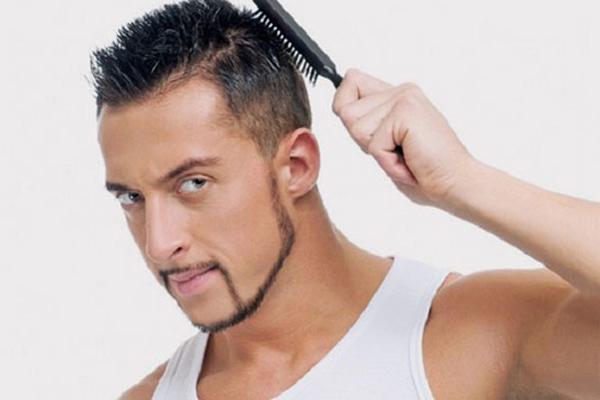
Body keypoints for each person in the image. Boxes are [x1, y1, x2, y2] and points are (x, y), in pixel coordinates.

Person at [91, 0, 599, 398]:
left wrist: (465, 181)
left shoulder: (465, 337)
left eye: (193, 184)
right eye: (132, 197)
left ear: (297, 166)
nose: (159, 244)